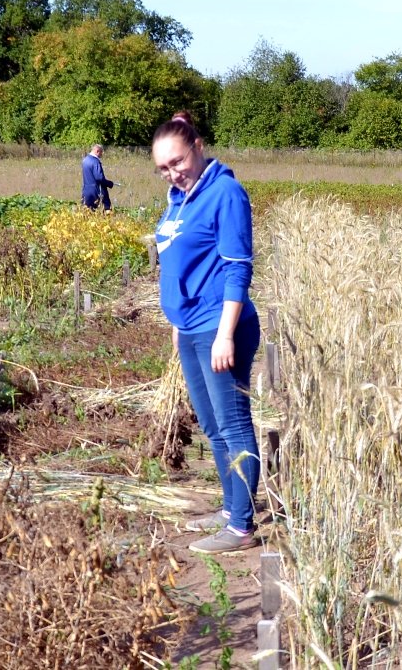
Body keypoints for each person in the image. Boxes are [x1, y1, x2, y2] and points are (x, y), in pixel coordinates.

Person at [151, 110, 262, 554]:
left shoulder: (225, 193)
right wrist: (177, 324)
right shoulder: (179, 198)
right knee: (212, 427)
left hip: (220, 327)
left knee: (233, 425)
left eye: (177, 161)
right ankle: (230, 507)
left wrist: (225, 334)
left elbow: (237, 268)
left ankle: (241, 528)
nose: (172, 173)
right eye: (163, 168)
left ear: (198, 147)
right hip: (190, 327)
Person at [80, 144, 113, 212]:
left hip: (86, 190)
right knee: (105, 210)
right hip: (96, 190)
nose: (102, 154)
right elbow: (99, 178)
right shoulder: (95, 162)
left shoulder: (85, 160)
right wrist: (109, 183)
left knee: (87, 210)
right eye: (101, 152)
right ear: (97, 151)